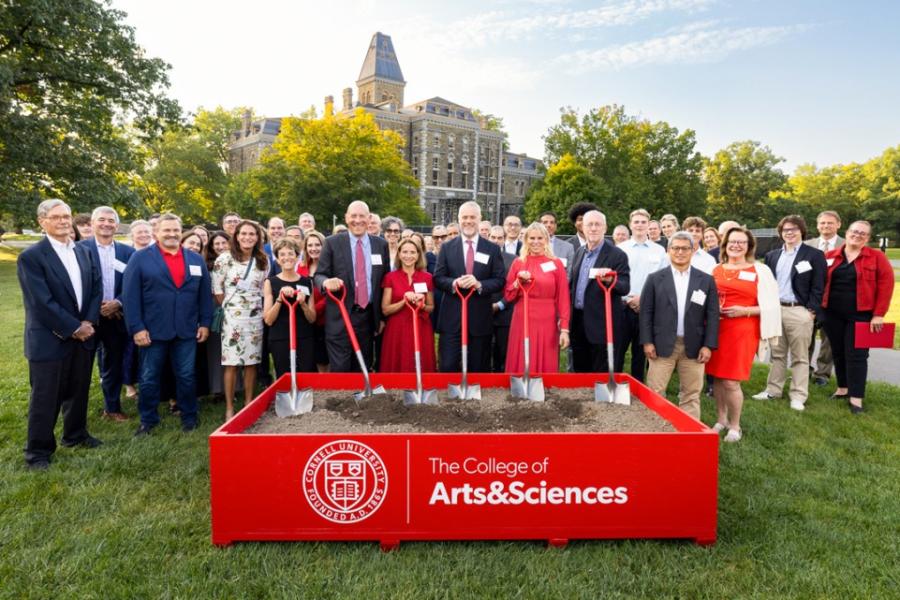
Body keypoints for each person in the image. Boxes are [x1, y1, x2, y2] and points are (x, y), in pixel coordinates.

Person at [17, 199, 102, 470]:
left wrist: (88, 321)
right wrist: (73, 328)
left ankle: (75, 435)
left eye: (67, 216)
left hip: (84, 334)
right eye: (56, 217)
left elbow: (95, 288)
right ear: (42, 222)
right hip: (49, 339)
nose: (64, 221)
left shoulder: (83, 252)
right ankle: (38, 452)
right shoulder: (31, 257)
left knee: (78, 389)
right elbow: (40, 302)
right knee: (46, 397)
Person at [123, 213, 213, 436]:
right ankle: (148, 419)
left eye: (175, 230)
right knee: (149, 377)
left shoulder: (195, 259)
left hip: (187, 329)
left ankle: (189, 416)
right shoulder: (140, 258)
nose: (172, 234)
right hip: (152, 330)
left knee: (186, 375)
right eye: (167, 230)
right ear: (156, 233)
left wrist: (205, 323)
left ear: (181, 232)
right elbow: (130, 296)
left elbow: (203, 295)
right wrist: (137, 327)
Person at [705, 227, 781, 442]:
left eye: (741, 242)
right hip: (717, 328)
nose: (736, 245)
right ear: (725, 244)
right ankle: (721, 419)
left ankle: (735, 426)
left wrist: (745, 310)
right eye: (732, 241)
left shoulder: (760, 271)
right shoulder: (716, 269)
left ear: (749, 247)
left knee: (731, 381)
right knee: (717, 378)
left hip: (742, 329)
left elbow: (772, 306)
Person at [641, 232, 719, 420]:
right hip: (661, 345)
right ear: (668, 251)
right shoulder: (655, 278)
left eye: (685, 248)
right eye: (675, 248)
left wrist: (708, 345)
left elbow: (713, 314)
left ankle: (689, 434)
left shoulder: (706, 280)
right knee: (655, 391)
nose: (680, 252)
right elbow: (646, 313)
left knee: (691, 393)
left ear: (692, 251)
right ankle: (656, 431)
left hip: (694, 346)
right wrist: (647, 342)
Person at [752, 216, 826, 411]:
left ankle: (798, 395)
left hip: (799, 311)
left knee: (800, 356)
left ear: (802, 231)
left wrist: (811, 311)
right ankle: (773, 390)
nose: (789, 232)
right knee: (777, 355)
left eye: (793, 229)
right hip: (776, 310)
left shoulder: (814, 255)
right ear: (780, 233)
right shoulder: (772, 255)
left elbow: (819, 286)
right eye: (785, 230)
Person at [821, 220, 894, 414]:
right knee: (837, 351)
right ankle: (843, 388)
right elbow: (820, 284)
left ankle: (856, 398)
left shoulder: (877, 257)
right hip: (831, 314)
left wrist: (878, 315)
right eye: (854, 231)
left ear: (868, 238)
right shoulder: (830, 256)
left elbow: (886, 287)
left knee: (857, 355)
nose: (857, 235)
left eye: (862, 233)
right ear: (847, 233)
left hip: (861, 315)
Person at [315, 201, 390, 371]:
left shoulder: (380, 245)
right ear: (346, 218)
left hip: (368, 319)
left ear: (369, 218)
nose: (358, 220)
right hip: (340, 317)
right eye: (353, 216)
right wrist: (326, 282)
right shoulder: (332, 242)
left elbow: (384, 283)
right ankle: (340, 398)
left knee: (362, 368)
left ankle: (360, 398)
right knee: (340, 369)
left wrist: (382, 318)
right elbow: (319, 275)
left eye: (362, 216)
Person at [434, 201, 506, 373]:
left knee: (478, 367)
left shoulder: (492, 249)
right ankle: (449, 399)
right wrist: (454, 283)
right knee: (448, 365)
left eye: (472, 217)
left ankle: (475, 400)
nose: (468, 221)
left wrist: (479, 284)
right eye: (464, 217)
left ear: (480, 219)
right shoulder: (447, 247)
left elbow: (500, 280)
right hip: (452, 319)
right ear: (459, 219)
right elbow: (437, 278)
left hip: (479, 319)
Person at [80, 206, 135, 421]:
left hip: (116, 317)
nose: (106, 224)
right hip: (87, 319)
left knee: (113, 364)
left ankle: (112, 408)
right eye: (101, 220)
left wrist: (118, 303)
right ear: (92, 223)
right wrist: (97, 308)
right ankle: (77, 411)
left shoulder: (127, 252)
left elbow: (132, 285)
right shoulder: (78, 249)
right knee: (81, 367)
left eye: (111, 220)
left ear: (117, 225)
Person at [212, 220, 268, 420]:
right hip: (232, 319)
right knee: (231, 363)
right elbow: (217, 291)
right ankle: (229, 407)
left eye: (252, 234)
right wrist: (232, 306)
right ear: (236, 236)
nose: (247, 237)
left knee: (252, 362)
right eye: (243, 233)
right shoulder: (225, 259)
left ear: (257, 237)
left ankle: (248, 403)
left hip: (255, 318)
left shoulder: (262, 259)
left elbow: (264, 289)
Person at [503, 223, 570, 373]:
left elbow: (563, 297)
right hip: (522, 316)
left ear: (546, 239)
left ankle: (545, 389)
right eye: (532, 238)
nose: (536, 242)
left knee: (546, 354)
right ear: (526, 240)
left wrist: (564, 328)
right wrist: (517, 282)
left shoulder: (556, 263)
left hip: (547, 318)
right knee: (521, 354)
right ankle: (519, 387)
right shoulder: (518, 263)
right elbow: (508, 295)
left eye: (540, 238)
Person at [568, 210, 630, 373]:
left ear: (605, 228)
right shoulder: (579, 253)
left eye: (598, 225)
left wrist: (611, 281)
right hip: (578, 322)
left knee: (601, 371)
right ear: (583, 227)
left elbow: (625, 286)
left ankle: (601, 399)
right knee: (580, 370)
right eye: (590, 224)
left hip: (602, 324)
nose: (593, 228)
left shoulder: (617, 255)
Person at [618, 208, 668, 382]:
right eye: (636, 222)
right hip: (624, 307)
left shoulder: (659, 251)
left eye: (643, 222)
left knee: (641, 354)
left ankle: (638, 388)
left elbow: (662, 281)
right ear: (630, 225)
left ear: (649, 225)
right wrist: (629, 299)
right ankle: (616, 385)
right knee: (619, 351)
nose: (639, 225)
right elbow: (617, 278)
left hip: (647, 310)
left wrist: (644, 299)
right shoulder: (621, 249)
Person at [380, 238, 436, 372]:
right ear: (399, 254)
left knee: (421, 361)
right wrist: (404, 301)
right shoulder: (390, 277)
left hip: (421, 326)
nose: (408, 256)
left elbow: (431, 307)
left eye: (412, 252)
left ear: (418, 255)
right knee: (397, 360)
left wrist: (421, 304)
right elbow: (385, 309)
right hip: (397, 328)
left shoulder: (427, 277)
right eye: (404, 252)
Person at [263, 238, 317, 376]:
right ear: (277, 259)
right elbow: (268, 320)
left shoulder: (307, 282)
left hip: (304, 337)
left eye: (290, 253)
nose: (287, 258)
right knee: (285, 375)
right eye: (282, 254)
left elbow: (312, 319)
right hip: (280, 337)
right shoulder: (271, 282)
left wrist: (303, 304)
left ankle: (306, 398)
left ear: (297, 256)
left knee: (306, 374)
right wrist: (279, 300)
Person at [805, 210, 844, 385]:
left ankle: (822, 374)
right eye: (822, 223)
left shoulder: (846, 244)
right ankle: (803, 370)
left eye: (830, 223)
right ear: (817, 225)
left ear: (838, 224)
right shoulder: (807, 245)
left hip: (834, 299)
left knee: (828, 339)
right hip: (809, 299)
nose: (826, 226)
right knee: (806, 337)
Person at [203, 231, 231, 397]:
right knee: (216, 350)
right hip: (216, 308)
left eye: (224, 243)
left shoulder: (237, 260)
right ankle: (216, 389)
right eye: (217, 244)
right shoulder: (207, 264)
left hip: (236, 307)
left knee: (231, 349)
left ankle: (235, 386)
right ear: (212, 247)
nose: (221, 247)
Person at [296, 230, 329, 372]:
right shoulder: (301, 267)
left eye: (317, 245)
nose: (313, 248)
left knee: (323, 358)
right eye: (310, 245)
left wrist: (314, 310)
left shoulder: (329, 267)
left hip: (324, 320)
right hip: (306, 318)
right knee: (309, 357)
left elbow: (330, 295)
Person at [489, 225, 518, 372]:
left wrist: (500, 304)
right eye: (493, 237)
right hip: (483, 312)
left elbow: (515, 287)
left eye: (499, 238)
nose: (496, 241)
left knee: (503, 351)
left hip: (505, 313)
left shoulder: (514, 260)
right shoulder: (479, 257)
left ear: (505, 239)